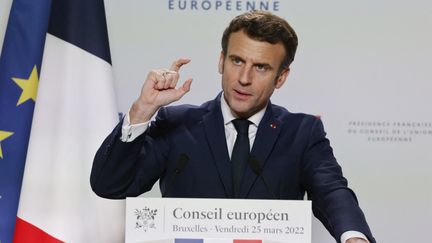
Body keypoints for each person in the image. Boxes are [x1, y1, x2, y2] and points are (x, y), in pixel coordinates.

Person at [90, 10, 375, 243]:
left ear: (281, 77)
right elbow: (110, 185)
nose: (244, 78)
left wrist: (354, 237)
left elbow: (332, 191)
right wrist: (142, 109)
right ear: (221, 61)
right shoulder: (177, 124)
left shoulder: (302, 133)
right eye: (237, 61)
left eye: (261, 67)